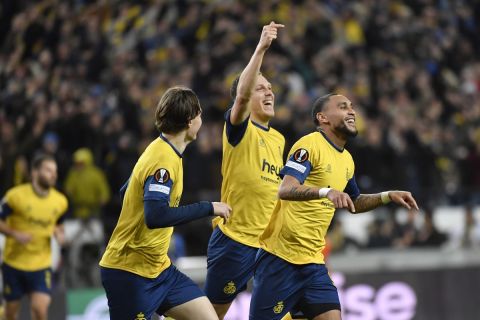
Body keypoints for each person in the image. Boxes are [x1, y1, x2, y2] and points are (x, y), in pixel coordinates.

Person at [249, 94, 419, 320]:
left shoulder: (346, 159)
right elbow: (286, 189)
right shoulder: (309, 145)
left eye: (351, 106)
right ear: (323, 118)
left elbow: (353, 202)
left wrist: (386, 196)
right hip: (280, 259)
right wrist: (325, 192)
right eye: (342, 107)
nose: (352, 111)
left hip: (313, 263)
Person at [99, 86, 231, 320]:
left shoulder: (161, 149)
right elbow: (156, 216)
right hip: (129, 272)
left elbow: (125, 191)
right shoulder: (164, 160)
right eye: (199, 114)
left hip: (160, 269)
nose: (201, 119)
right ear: (190, 121)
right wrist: (209, 207)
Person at [204, 22, 286, 318]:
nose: (269, 93)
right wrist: (261, 48)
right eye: (261, 88)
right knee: (212, 315)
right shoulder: (239, 128)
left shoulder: (278, 139)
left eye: (271, 88)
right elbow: (240, 97)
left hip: (269, 246)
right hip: (235, 241)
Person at [0, 154, 68, 320]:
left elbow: (58, 223)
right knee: (10, 313)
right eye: (48, 170)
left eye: (55, 171)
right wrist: (15, 233)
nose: (53, 174)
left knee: (40, 310)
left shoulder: (60, 201)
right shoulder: (15, 196)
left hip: (41, 264)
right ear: (34, 172)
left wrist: (59, 233)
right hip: (14, 263)